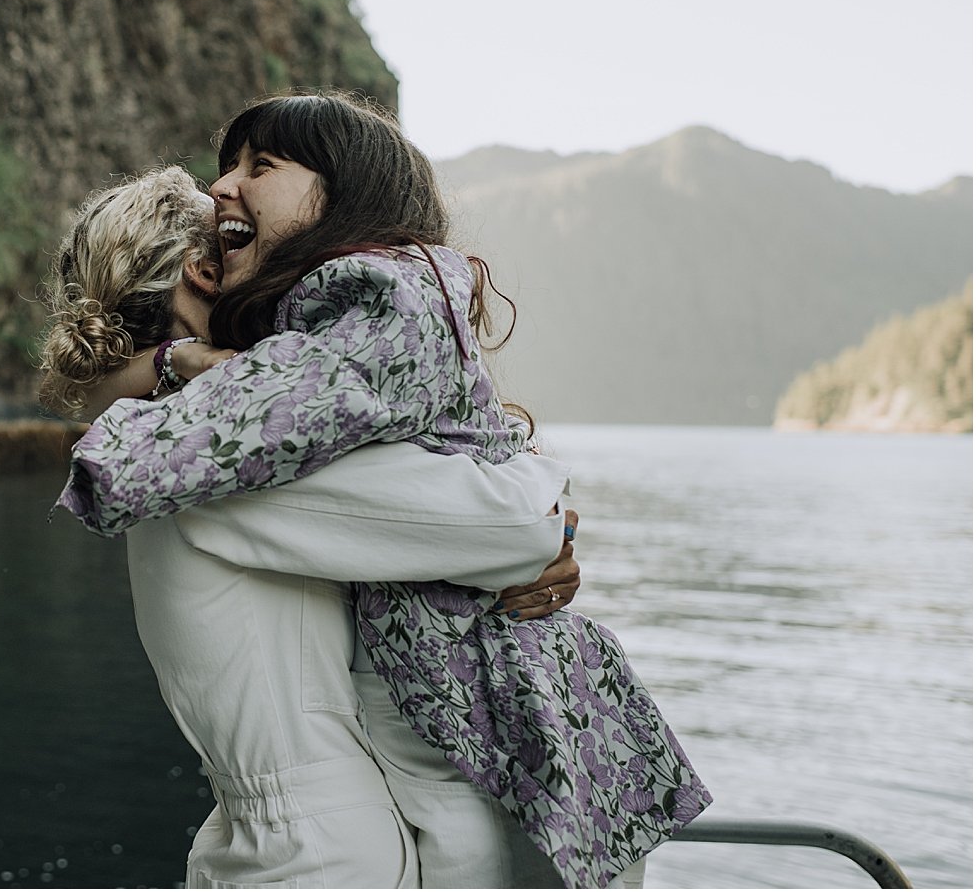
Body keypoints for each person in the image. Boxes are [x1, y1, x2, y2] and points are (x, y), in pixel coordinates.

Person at [55, 92, 710, 888]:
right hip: (317, 859)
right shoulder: (217, 455)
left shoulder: (232, 426)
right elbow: (511, 522)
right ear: (201, 268)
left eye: (255, 170)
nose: (230, 187)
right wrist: (548, 527)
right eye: (228, 193)